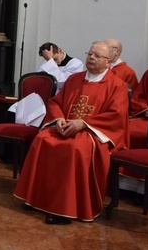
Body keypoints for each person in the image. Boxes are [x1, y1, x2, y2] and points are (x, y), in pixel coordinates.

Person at [14, 41, 129, 224]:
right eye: (90, 53)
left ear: (108, 62)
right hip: (66, 126)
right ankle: (35, 198)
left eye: (97, 56)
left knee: (74, 148)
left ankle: (64, 209)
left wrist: (84, 123)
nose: (91, 57)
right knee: (42, 139)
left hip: (93, 133)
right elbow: (56, 102)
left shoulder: (117, 85)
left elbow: (117, 115)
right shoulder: (75, 79)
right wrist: (58, 118)